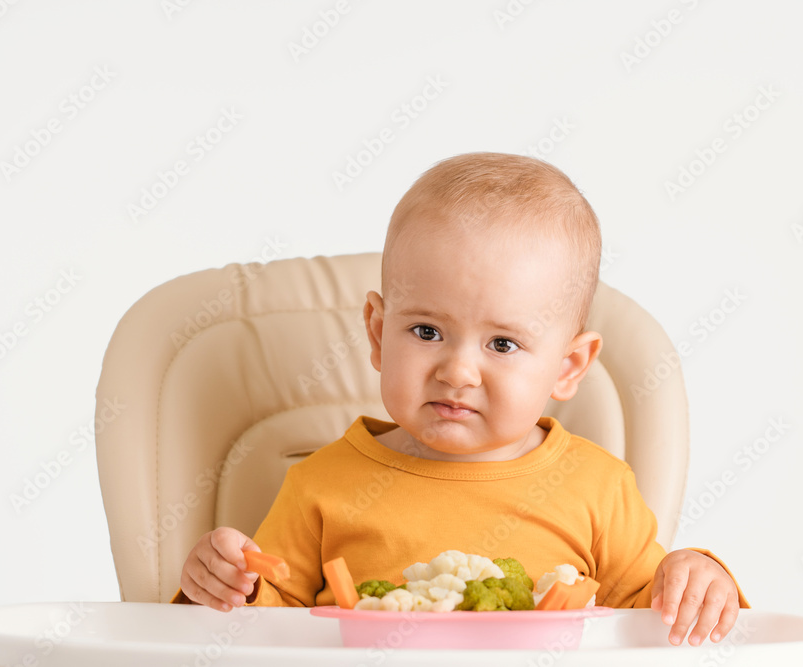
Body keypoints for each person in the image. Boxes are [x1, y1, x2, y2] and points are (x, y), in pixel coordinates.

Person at [174, 152, 749, 647]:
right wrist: (222, 582)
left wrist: (699, 577)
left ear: (568, 367)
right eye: (426, 332)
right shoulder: (320, 486)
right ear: (378, 334)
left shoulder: (600, 489)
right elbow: (258, 634)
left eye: (502, 343)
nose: (458, 372)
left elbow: (655, 622)